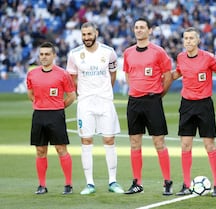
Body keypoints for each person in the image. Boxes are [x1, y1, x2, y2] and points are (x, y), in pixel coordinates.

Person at [66, 22, 124, 195]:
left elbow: (113, 73)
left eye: (89, 34)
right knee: (86, 141)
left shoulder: (109, 52)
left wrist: (105, 91)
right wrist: (83, 93)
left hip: (105, 101)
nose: (86, 38)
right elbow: (72, 78)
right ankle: (89, 183)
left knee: (109, 140)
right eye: (84, 35)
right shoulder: (75, 54)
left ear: (96, 33)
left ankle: (113, 181)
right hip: (85, 103)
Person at [123, 17, 173, 195]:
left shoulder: (159, 52)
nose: (139, 30)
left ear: (150, 30)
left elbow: (167, 76)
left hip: (153, 101)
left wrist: (158, 94)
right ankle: (137, 183)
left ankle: (167, 182)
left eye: (142, 27)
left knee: (159, 142)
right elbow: (128, 74)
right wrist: (136, 88)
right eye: (136, 27)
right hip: (134, 101)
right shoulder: (128, 52)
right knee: (134, 143)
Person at [172, 27, 216, 197]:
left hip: (204, 105)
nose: (188, 41)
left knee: (209, 145)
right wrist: (161, 76)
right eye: (185, 38)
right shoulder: (180, 57)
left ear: (198, 40)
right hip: (187, 105)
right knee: (185, 145)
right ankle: (186, 185)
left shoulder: (208, 58)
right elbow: (177, 73)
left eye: (191, 38)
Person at [26, 42, 76, 195]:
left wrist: (58, 107)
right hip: (39, 115)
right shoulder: (32, 74)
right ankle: (42, 185)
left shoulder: (62, 74)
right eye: (41, 54)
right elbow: (30, 94)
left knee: (61, 149)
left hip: (56, 115)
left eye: (47, 54)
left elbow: (72, 96)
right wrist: (42, 104)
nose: (44, 57)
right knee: (40, 150)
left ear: (54, 55)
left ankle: (68, 185)